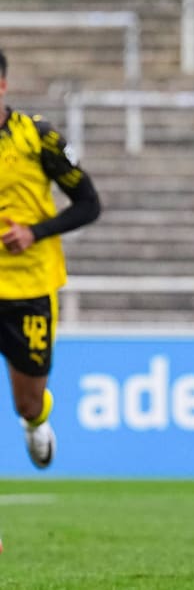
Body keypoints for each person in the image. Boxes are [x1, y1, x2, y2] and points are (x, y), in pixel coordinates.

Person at [0, 48, 102, 471]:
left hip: (30, 287)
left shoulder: (38, 138)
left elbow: (89, 204)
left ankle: (36, 422)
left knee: (27, 402)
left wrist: (34, 232)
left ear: (2, 85)